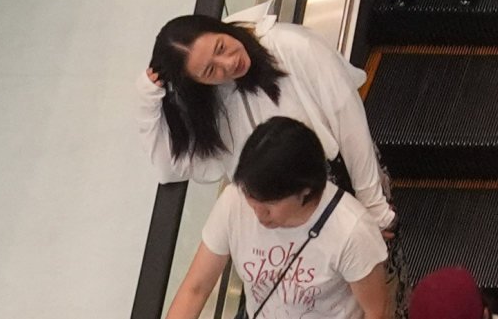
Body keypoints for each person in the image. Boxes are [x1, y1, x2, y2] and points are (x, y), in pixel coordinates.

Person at [143, 12, 388, 212]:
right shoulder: (212, 101)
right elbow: (170, 169)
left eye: (221, 47)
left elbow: (349, 123)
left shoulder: (291, 45)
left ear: (221, 28)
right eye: (209, 71)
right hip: (287, 222)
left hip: (344, 188)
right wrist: (148, 100)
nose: (228, 63)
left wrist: (374, 205)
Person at [156, 116, 392, 319]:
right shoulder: (233, 202)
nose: (258, 214)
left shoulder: (352, 230)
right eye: (250, 197)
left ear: (305, 192)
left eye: (269, 205)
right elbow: (196, 288)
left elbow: (376, 312)